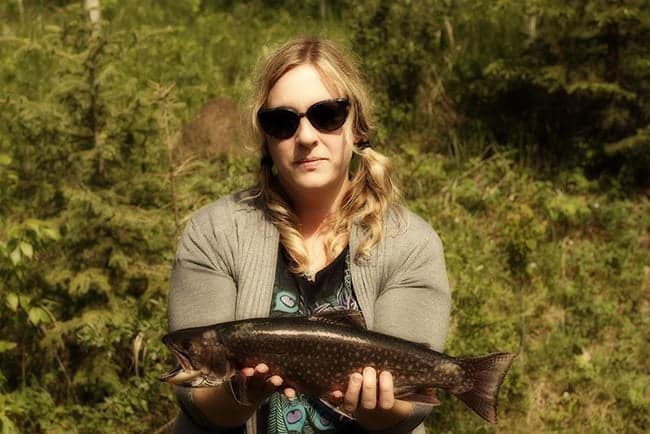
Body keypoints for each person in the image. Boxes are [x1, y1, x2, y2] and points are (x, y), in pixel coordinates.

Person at [167, 37, 451, 434]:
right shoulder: (212, 232)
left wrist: (378, 409)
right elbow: (198, 405)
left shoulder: (410, 243)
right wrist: (239, 394)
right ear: (265, 138)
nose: (305, 136)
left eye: (327, 115)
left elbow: (412, 407)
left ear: (358, 127)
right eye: (282, 121)